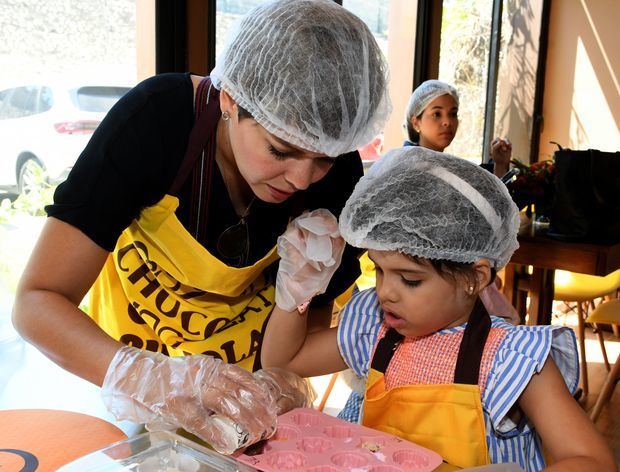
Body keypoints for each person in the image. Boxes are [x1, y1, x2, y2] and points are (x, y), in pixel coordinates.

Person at [11, 0, 390, 454]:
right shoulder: (156, 122)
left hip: (245, 404)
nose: (303, 179)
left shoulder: (339, 174)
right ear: (230, 97)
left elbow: (303, 340)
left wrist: (282, 382)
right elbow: (37, 302)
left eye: (323, 158)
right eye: (280, 150)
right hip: (127, 371)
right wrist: (149, 377)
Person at [261, 147, 616, 471]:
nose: (386, 292)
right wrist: (298, 289)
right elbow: (284, 361)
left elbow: (591, 460)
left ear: (474, 278)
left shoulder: (511, 358)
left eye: (410, 280)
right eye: (380, 270)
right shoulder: (375, 327)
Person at [404, 79, 512, 178]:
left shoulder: (453, 169)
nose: (447, 122)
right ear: (416, 123)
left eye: (453, 114)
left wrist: (501, 165)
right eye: (437, 114)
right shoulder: (406, 169)